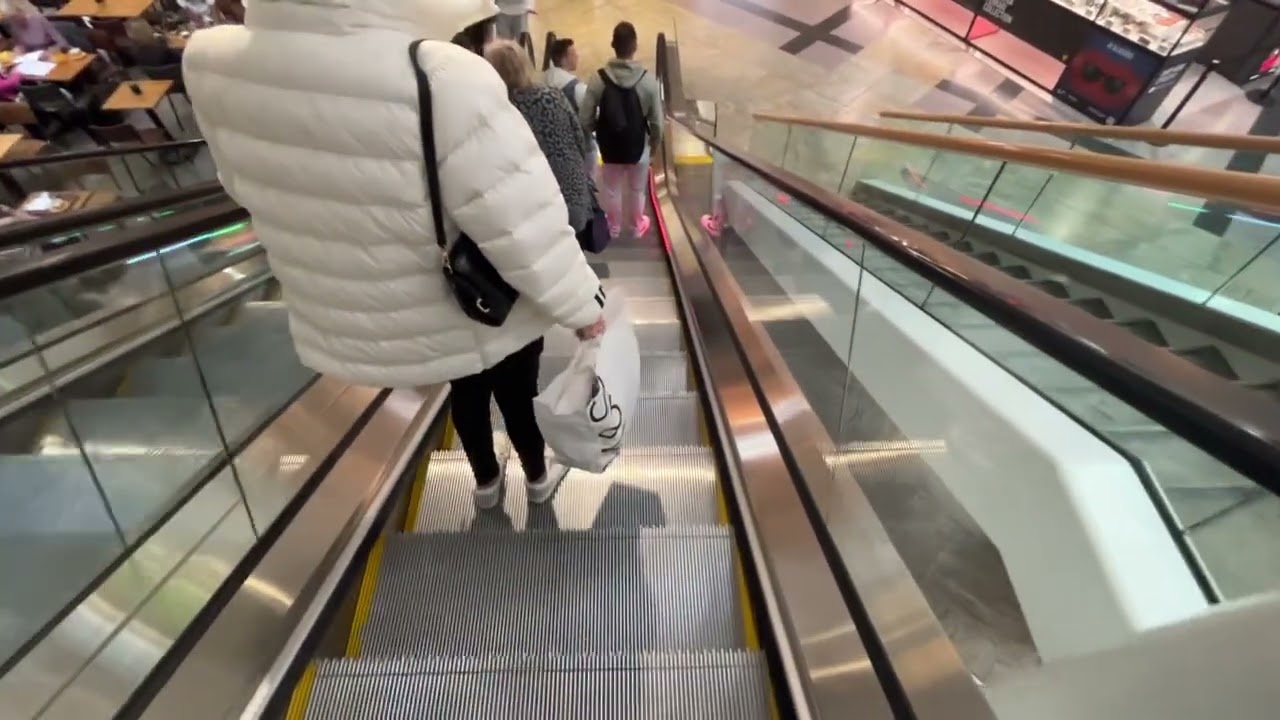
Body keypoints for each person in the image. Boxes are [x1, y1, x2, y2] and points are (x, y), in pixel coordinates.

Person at [182, 0, 606, 509]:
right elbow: (520, 223)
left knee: (466, 394)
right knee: (517, 393)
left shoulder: (215, 67)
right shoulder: (441, 76)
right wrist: (583, 307)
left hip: (398, 307)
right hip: (486, 295)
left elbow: (246, 185)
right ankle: (536, 478)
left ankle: (486, 484)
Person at [486, 41, 592, 237]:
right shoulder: (554, 95)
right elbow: (579, 138)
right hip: (573, 197)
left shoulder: (504, 109)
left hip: (536, 207)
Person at [580, 21, 663, 239]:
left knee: (611, 189)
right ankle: (636, 227)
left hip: (610, 146)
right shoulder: (648, 81)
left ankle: (613, 228)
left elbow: (584, 118)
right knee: (637, 190)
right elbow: (657, 124)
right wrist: (653, 147)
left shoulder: (598, 79)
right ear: (635, 45)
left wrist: (598, 131)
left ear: (612, 44)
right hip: (639, 147)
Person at [544, 36, 597, 176]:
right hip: (581, 148)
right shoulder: (578, 89)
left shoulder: (542, 83)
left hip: (552, 148)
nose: (577, 56)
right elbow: (593, 116)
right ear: (563, 59)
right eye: (573, 53)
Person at [2, 0, 71, 54]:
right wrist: (19, 49)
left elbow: (63, 43)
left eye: (16, 18)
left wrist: (50, 51)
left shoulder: (39, 20)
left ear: (22, 13)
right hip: (35, 59)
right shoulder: (14, 27)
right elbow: (22, 46)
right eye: (12, 20)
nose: (15, 22)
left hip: (54, 55)